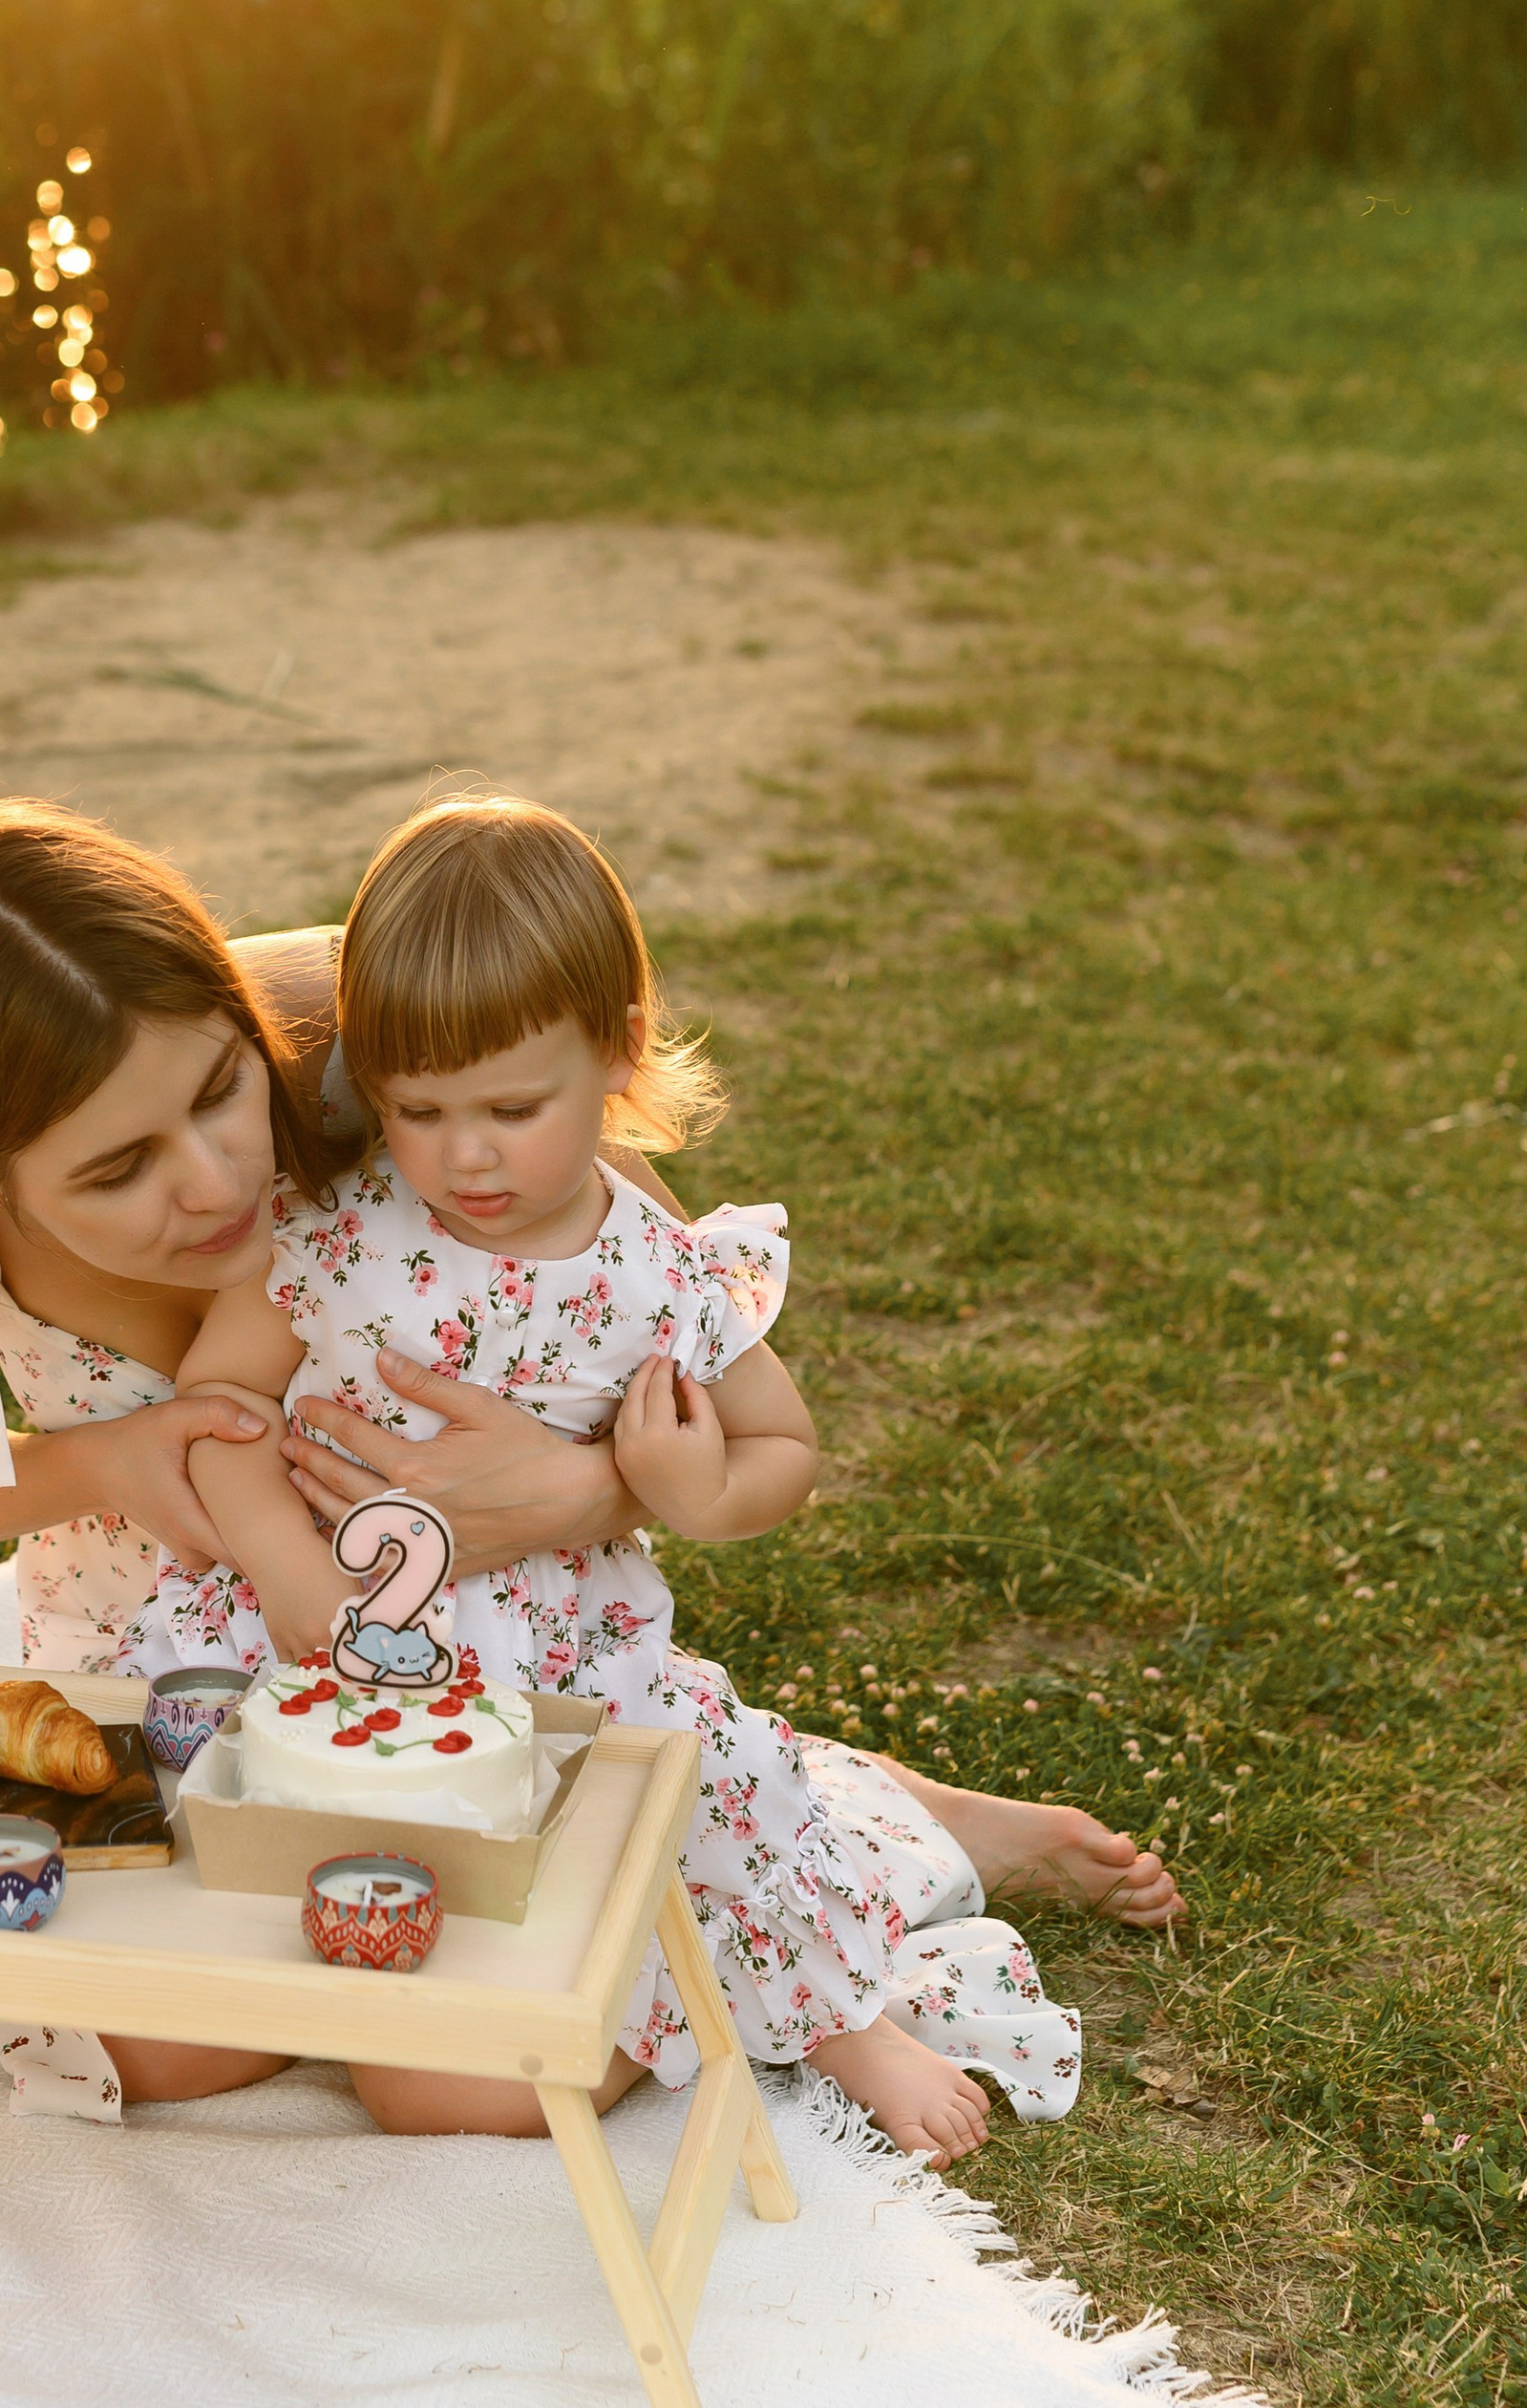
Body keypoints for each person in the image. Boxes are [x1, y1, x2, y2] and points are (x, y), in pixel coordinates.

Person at [0, 795, 1179, 2141]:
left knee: (472, 2080)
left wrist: (585, 1491)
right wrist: (105, 1456)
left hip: (500, 1617)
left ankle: (851, 1833)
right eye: (116, 1173)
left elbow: (633, 1272)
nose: (215, 1181)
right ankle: (787, 1808)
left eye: (225, 1091)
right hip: (173, 1639)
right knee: (150, 2050)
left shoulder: (371, 1022)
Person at [140, 793, 1068, 2163]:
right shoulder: (338, 1238)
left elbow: (781, 1449)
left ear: (620, 1052)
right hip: (321, 1650)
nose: (465, 1154)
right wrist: (281, 1561)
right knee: (233, 1965)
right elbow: (215, 1415)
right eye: (418, 1109)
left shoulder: (660, 1267)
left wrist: (688, 1486)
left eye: (514, 1107)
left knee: (629, 1890)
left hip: (552, 1665)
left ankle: (813, 2008)